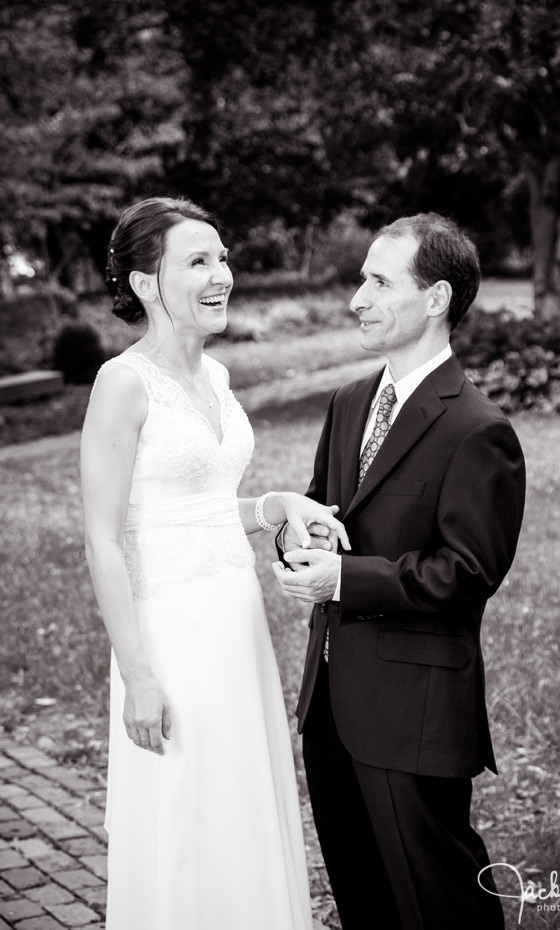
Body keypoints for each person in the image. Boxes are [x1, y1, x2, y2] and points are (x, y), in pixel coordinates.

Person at [80, 196, 351, 930]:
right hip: (169, 633)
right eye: (197, 261)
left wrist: (276, 505)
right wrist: (138, 673)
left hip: (236, 626)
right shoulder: (123, 384)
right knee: (184, 814)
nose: (220, 274)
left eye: (222, 257)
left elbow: (196, 512)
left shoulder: (220, 377)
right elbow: (106, 539)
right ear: (145, 284)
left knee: (240, 799)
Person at [273, 213, 526, 930]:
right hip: (330, 707)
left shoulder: (478, 429)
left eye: (380, 282)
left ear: (437, 297)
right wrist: (298, 537)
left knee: (441, 906)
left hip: (412, 713)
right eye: (362, 279)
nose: (359, 297)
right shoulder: (351, 401)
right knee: (366, 903)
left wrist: (345, 581)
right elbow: (321, 507)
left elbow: (467, 573)